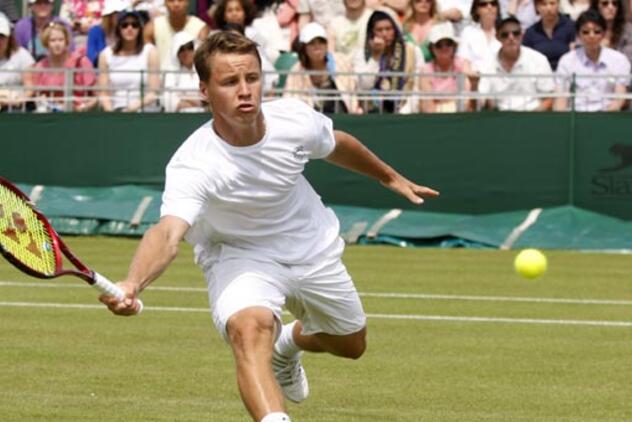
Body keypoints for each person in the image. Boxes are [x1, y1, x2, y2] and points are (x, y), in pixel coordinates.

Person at [99, 30, 439, 422]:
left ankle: (288, 344)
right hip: (239, 255)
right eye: (229, 82)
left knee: (352, 344)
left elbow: (337, 143)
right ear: (205, 90)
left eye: (252, 78)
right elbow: (168, 233)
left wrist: (389, 177)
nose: (245, 91)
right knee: (249, 331)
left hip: (309, 247)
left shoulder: (292, 119)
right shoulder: (193, 163)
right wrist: (133, 282)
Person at [555, 9, 630, 111]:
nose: (591, 36)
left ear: (604, 34)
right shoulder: (567, 61)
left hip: (608, 116)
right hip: (575, 117)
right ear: (578, 35)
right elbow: (561, 98)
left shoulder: (619, 60)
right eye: (585, 32)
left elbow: (619, 98)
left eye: (597, 32)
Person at [355, 8, 425, 113]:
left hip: (405, 110)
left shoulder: (412, 51)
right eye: (379, 30)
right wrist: (375, 57)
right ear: (372, 32)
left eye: (388, 29)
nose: (384, 33)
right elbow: (364, 86)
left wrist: (406, 110)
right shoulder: (363, 54)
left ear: (395, 29)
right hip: (371, 112)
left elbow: (417, 85)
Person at [478, 16, 554, 110]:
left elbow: (549, 98)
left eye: (516, 33)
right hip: (499, 117)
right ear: (497, 37)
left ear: (522, 35)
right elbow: (483, 98)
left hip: (532, 116)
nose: (511, 38)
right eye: (505, 35)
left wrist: (532, 118)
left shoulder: (539, 60)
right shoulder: (488, 62)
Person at [284, 22, 361, 113]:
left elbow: (354, 90)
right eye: (312, 43)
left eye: (321, 42)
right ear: (304, 47)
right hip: (310, 120)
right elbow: (289, 101)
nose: (317, 46)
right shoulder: (296, 70)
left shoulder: (342, 61)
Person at [26, 21, 97, 111]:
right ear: (46, 43)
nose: (57, 44)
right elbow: (37, 96)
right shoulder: (40, 66)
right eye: (53, 40)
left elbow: (96, 96)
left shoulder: (82, 62)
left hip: (79, 115)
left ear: (66, 41)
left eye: (61, 40)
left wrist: (82, 108)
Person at [98, 10, 160, 111]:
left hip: (145, 111)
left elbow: (153, 93)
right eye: (124, 25)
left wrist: (130, 109)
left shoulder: (150, 52)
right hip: (116, 110)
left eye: (134, 25)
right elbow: (103, 93)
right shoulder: (105, 54)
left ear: (140, 29)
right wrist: (111, 114)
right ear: (118, 28)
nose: (129, 28)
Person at [418, 21, 470, 112]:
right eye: (439, 45)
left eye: (448, 44)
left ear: (454, 46)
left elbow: (467, 102)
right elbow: (427, 106)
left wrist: (442, 104)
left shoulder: (463, 65)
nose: (444, 48)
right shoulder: (426, 70)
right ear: (432, 48)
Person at [144, 0, 209, 69]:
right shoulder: (151, 27)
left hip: (191, 77)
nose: (176, 4)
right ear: (165, 3)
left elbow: (202, 61)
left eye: (180, 0)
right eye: (171, 0)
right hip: (159, 76)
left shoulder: (201, 28)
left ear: (187, 2)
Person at [522, 0, 575, 70]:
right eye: (544, 4)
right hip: (540, 74)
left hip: (566, 73)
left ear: (558, 4)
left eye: (552, 3)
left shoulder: (571, 27)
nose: (549, 8)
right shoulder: (530, 32)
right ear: (537, 7)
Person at [457, 0, 501, 81]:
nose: (489, 7)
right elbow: (463, 65)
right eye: (483, 4)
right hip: (475, 84)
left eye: (493, 3)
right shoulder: (468, 32)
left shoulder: (506, 33)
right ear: (477, 10)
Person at [0, 12, 35, 112]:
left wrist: (16, 100)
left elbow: (29, 88)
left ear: (9, 37)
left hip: (15, 108)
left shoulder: (22, 55)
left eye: (2, 37)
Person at [163, 31, 205, 111]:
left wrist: (183, 96)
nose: (186, 53)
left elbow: (208, 98)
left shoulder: (203, 69)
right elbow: (169, 100)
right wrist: (198, 103)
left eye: (190, 48)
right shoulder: (171, 73)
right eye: (181, 49)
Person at [592, 0, 632, 72]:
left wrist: (604, 52)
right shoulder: (587, 29)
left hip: (622, 78)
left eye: (615, 3)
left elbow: (628, 62)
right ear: (596, 6)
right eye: (605, 3)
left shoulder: (629, 30)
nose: (611, 7)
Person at [86, 0, 130, 66]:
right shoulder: (95, 31)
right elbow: (91, 55)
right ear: (109, 16)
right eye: (118, 14)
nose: (122, 17)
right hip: (101, 69)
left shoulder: (127, 30)